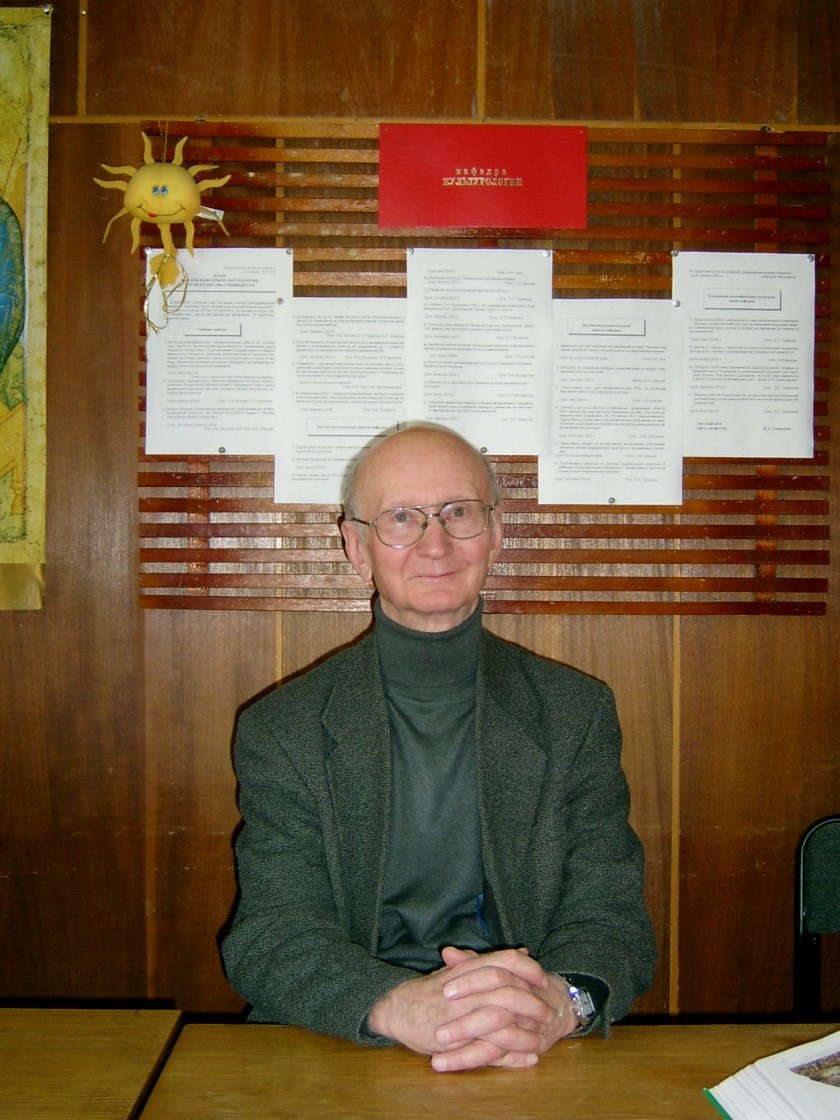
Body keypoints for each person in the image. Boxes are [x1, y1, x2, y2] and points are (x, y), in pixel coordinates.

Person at [221, 422, 656, 1072]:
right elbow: (272, 933)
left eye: (459, 513)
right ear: (357, 548)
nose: (435, 543)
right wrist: (397, 1005)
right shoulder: (283, 730)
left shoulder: (576, 713)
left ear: (496, 534)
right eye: (402, 517)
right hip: (346, 1037)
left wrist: (560, 1002)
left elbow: (612, 914)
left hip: (526, 1044)